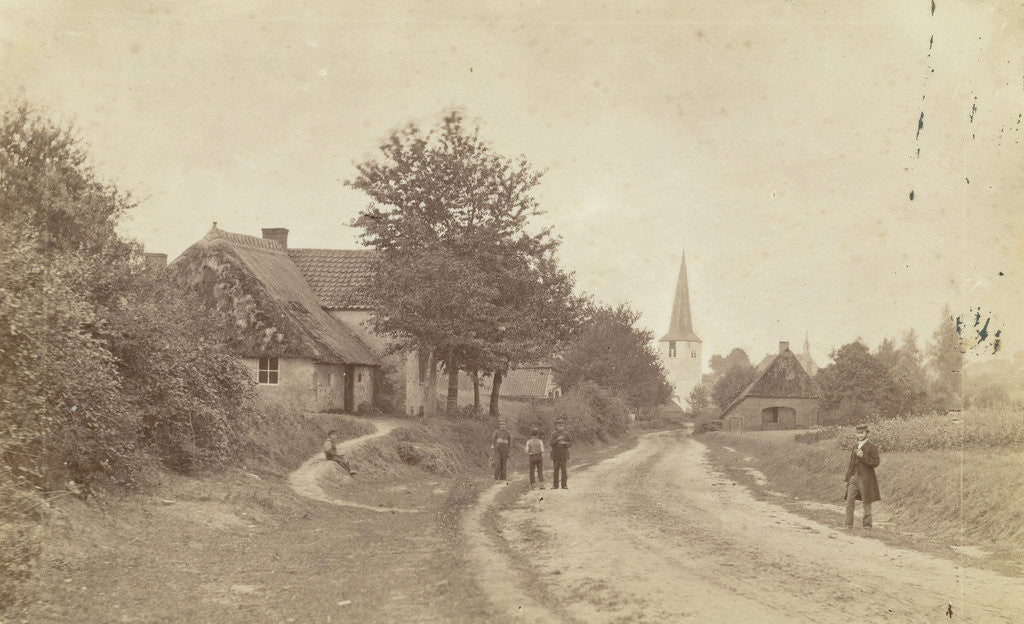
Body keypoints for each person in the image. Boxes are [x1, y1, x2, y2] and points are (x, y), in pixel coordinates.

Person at [844, 423, 880, 529]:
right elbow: (851, 463)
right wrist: (848, 478)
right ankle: (848, 524)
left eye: (862, 433)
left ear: (866, 433)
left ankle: (867, 526)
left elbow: (875, 463)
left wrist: (863, 456)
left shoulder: (872, 447)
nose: (860, 435)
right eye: (858, 433)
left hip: (866, 479)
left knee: (866, 502)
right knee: (849, 500)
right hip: (854, 477)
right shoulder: (855, 446)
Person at [550, 418, 571, 489]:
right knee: (556, 470)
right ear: (556, 426)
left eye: (562, 425)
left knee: (564, 470)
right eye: (559, 425)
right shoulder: (553, 434)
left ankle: (564, 485)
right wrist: (557, 440)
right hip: (556, 454)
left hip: (564, 453)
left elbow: (570, 443)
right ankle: (555, 485)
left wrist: (565, 443)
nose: (560, 427)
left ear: (564, 426)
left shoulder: (566, 434)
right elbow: (551, 443)